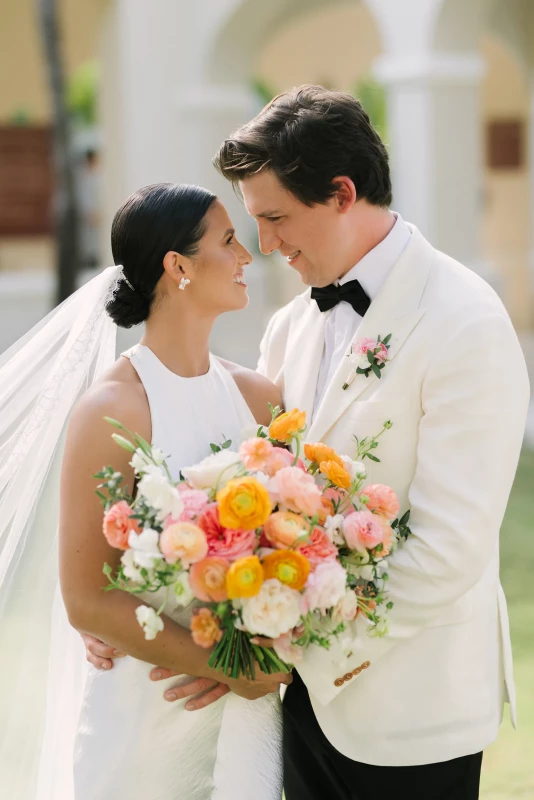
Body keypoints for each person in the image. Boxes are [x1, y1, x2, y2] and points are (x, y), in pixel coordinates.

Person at [89, 86, 530, 800]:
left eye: (275, 217)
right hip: (294, 717)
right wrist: (156, 616)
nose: (265, 245)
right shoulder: (290, 325)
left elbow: (447, 553)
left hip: (412, 717)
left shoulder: (464, 321)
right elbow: (254, 497)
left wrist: (276, 655)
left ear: (342, 193)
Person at [0, 183, 289, 800]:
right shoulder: (113, 410)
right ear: (178, 266)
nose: (247, 256)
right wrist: (232, 668)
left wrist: (264, 661)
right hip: (149, 708)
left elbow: (297, 550)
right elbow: (86, 598)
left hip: (248, 711)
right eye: (228, 240)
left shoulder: (260, 399)